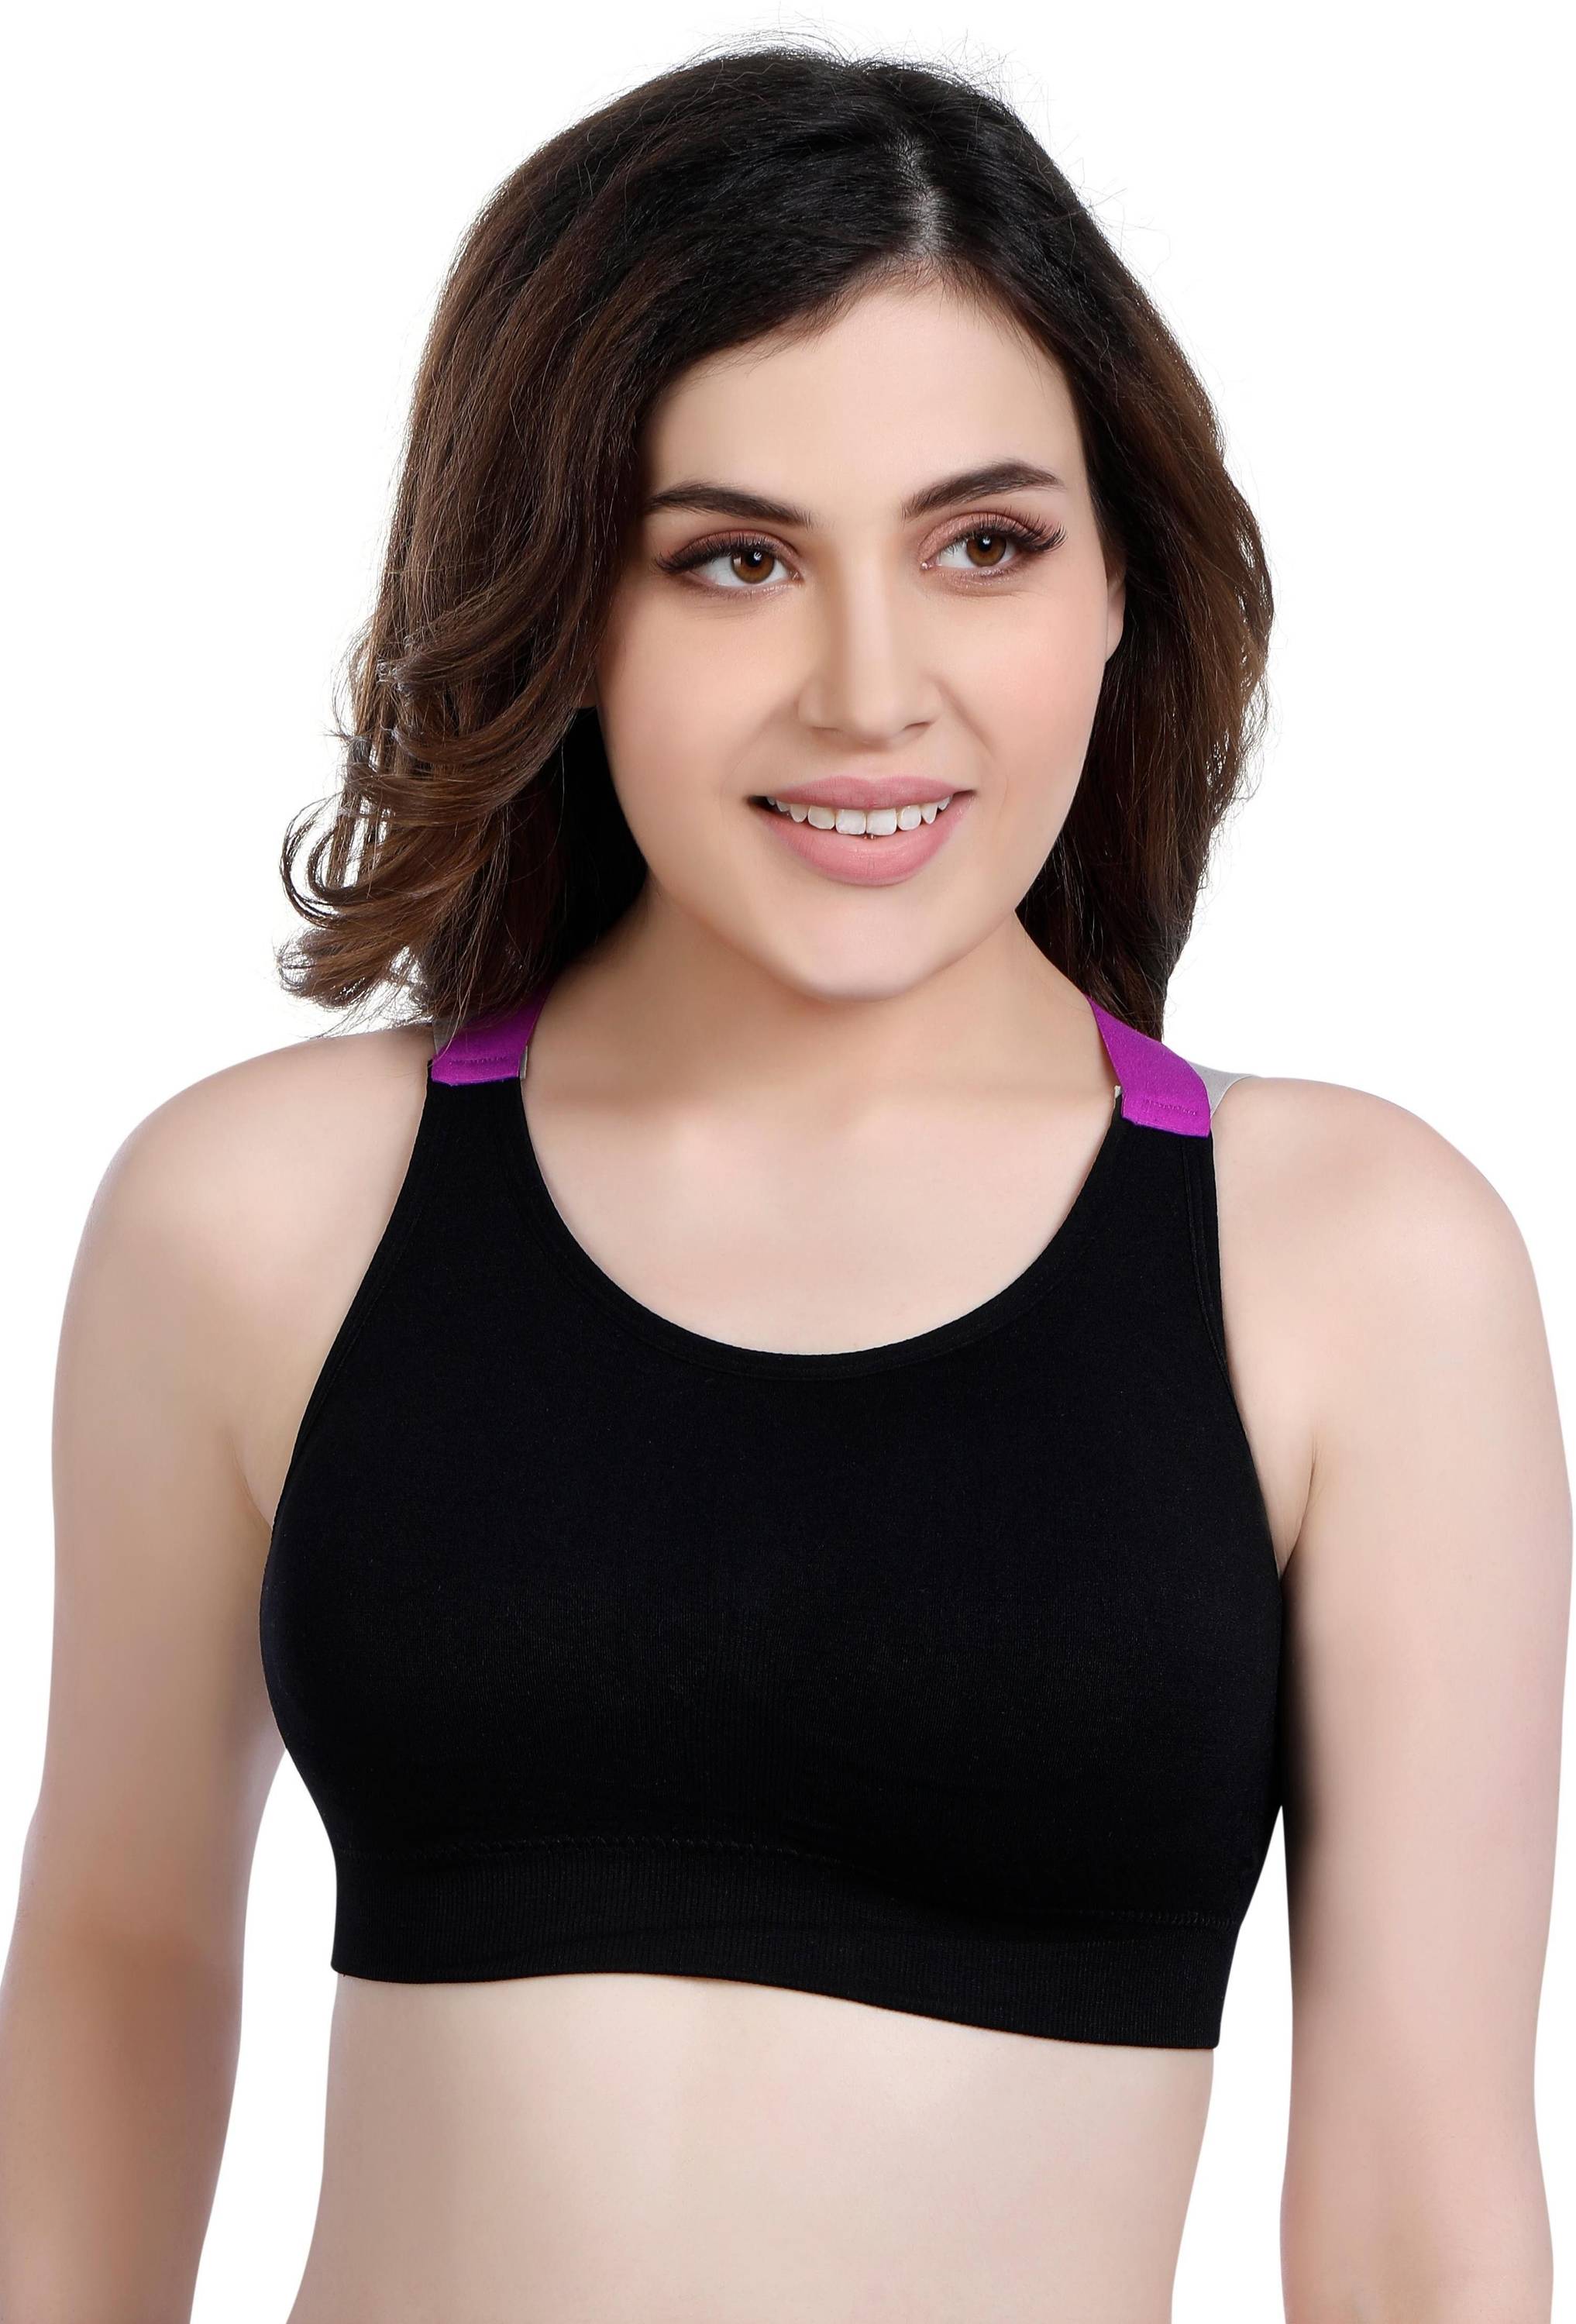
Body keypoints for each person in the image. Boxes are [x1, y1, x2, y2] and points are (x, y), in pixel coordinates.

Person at [0, 37, 1565, 2324]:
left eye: (983, 544)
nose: (868, 689)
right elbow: (118, 1964)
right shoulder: (259, 1216)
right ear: (563, 599)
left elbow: (1424, 2207)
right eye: (732, 559)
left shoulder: (1348, 1263)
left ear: (1117, 589)